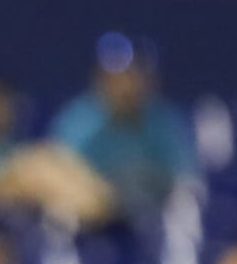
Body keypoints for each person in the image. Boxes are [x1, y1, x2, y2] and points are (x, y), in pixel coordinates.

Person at [49, 32, 197, 221]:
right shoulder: (79, 121)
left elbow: (186, 180)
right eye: (118, 77)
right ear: (101, 79)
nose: (126, 85)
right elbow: (59, 177)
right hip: (91, 222)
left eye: (134, 75)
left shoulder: (164, 121)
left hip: (153, 218)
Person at [0, 76, 114, 228]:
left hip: (19, 215)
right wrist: (20, 186)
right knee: (38, 165)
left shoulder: (5, 145)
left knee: (46, 156)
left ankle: (98, 204)